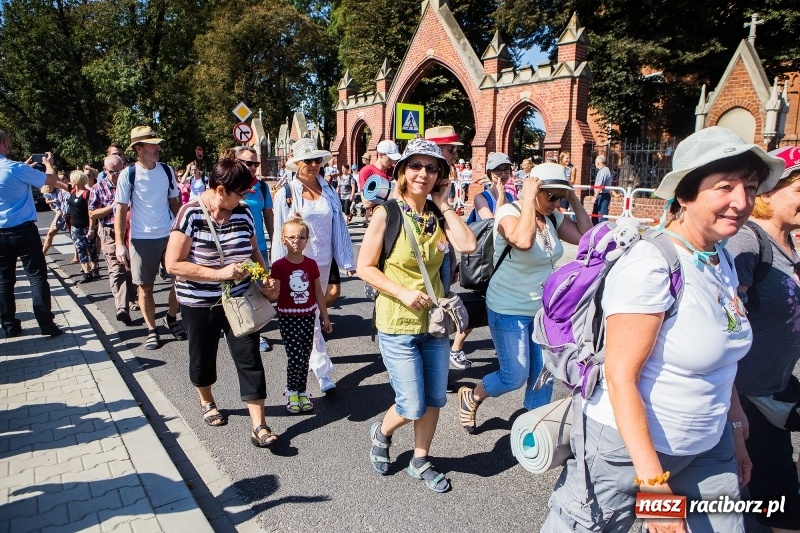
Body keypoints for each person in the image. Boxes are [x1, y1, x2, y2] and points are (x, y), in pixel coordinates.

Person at [542, 126, 785, 533]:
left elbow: (720, 362)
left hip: (707, 446)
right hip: (627, 451)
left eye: (751, 186)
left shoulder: (718, 257)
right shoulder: (652, 264)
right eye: (724, 187)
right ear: (685, 196)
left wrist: (737, 432)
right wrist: (654, 487)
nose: (742, 201)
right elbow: (620, 378)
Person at [357, 138, 477, 493]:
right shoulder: (387, 213)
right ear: (402, 172)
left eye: (431, 167)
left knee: (434, 399)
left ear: (440, 175)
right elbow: (364, 267)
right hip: (397, 323)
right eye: (416, 166)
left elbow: (468, 245)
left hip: (435, 325)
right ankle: (382, 431)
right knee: (411, 404)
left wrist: (443, 204)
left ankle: (420, 459)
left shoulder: (436, 216)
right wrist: (403, 292)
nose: (423, 173)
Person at [457, 163, 591, 434]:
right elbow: (523, 240)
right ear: (533, 189)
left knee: (543, 374)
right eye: (550, 195)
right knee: (513, 376)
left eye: (559, 195)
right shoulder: (509, 212)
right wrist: (528, 198)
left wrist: (573, 197)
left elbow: (586, 237)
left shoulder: (552, 217)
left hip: (542, 311)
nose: (555, 202)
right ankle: (472, 396)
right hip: (507, 307)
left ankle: (534, 428)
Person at [165, 158, 278, 448]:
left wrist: (264, 278)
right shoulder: (190, 215)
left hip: (240, 300)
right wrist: (218, 274)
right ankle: (207, 400)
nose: (244, 198)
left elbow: (254, 251)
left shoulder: (242, 214)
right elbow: (173, 264)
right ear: (219, 190)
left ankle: (259, 425)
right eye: (239, 193)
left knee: (250, 358)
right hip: (199, 302)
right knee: (202, 356)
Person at [727, 145, 800, 532]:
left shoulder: (789, 244)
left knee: (765, 492)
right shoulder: (748, 242)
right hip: (748, 397)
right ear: (768, 195)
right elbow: (725, 317)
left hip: (777, 385)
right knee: (778, 498)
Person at [272, 138, 355, 393]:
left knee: (318, 309)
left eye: (318, 159)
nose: (314, 164)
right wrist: (277, 271)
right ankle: (323, 372)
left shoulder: (328, 189)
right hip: (298, 264)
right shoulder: (286, 193)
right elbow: (279, 233)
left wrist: (346, 259)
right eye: (308, 160)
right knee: (313, 315)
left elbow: (338, 225)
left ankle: (311, 355)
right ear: (297, 164)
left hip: (324, 259)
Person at [114, 126, 183, 350]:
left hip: (169, 234)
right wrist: (119, 245)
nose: (158, 148)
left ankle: (171, 318)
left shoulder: (167, 171)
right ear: (139, 148)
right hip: (141, 239)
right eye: (153, 145)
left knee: (180, 280)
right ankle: (152, 329)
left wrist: (183, 230)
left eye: (157, 144)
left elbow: (175, 203)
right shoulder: (128, 174)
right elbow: (121, 211)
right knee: (145, 288)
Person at [451, 152, 516, 369]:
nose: (503, 174)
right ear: (490, 173)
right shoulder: (482, 197)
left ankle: (504, 345)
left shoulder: (514, 197)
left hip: (505, 259)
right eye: (498, 170)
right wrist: (500, 197)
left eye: (506, 170)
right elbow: (495, 223)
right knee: (480, 307)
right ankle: (456, 349)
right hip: (484, 260)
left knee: (503, 305)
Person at [0, 131, 68, 337]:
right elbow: (52, 179)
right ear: (4, 143)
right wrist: (48, 162)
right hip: (23, 230)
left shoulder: (18, 168)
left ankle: (10, 326)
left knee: (4, 280)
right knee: (36, 277)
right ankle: (46, 324)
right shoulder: (16, 168)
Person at [264, 215, 331, 414]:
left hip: (308, 316)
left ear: (307, 240)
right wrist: (267, 290)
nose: (296, 241)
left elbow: (318, 292)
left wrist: (325, 316)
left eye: (301, 237)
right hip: (287, 317)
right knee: (295, 358)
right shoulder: (278, 266)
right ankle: (291, 389)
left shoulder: (311, 264)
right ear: (282, 239)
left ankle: (302, 390)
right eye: (291, 237)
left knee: (306, 355)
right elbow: (274, 294)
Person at [89, 154, 136, 324]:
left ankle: (132, 296)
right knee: (116, 269)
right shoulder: (97, 188)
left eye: (119, 171)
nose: (116, 175)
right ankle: (121, 308)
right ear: (104, 170)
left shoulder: (131, 185)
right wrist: (113, 206)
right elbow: (92, 213)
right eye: (112, 172)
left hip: (131, 229)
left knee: (131, 267)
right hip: (109, 230)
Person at [67, 170, 100, 284]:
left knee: (92, 248)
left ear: (77, 180)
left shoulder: (87, 193)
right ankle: (87, 272)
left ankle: (95, 268)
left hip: (87, 226)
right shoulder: (71, 192)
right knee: (80, 248)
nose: (70, 181)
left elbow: (92, 212)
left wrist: (91, 228)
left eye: (72, 179)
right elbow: (55, 182)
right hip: (75, 227)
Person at [358, 140, 401, 227]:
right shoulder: (367, 171)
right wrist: (390, 187)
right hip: (380, 222)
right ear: (380, 155)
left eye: (394, 159)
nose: (393, 162)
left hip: (398, 218)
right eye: (390, 158)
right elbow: (367, 203)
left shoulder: (396, 170)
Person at [592, 155, 612, 225]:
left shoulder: (604, 171)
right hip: (601, 195)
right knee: (595, 217)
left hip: (602, 195)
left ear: (598, 162)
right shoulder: (603, 170)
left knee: (601, 218)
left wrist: (595, 197)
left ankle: (603, 233)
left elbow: (600, 185)